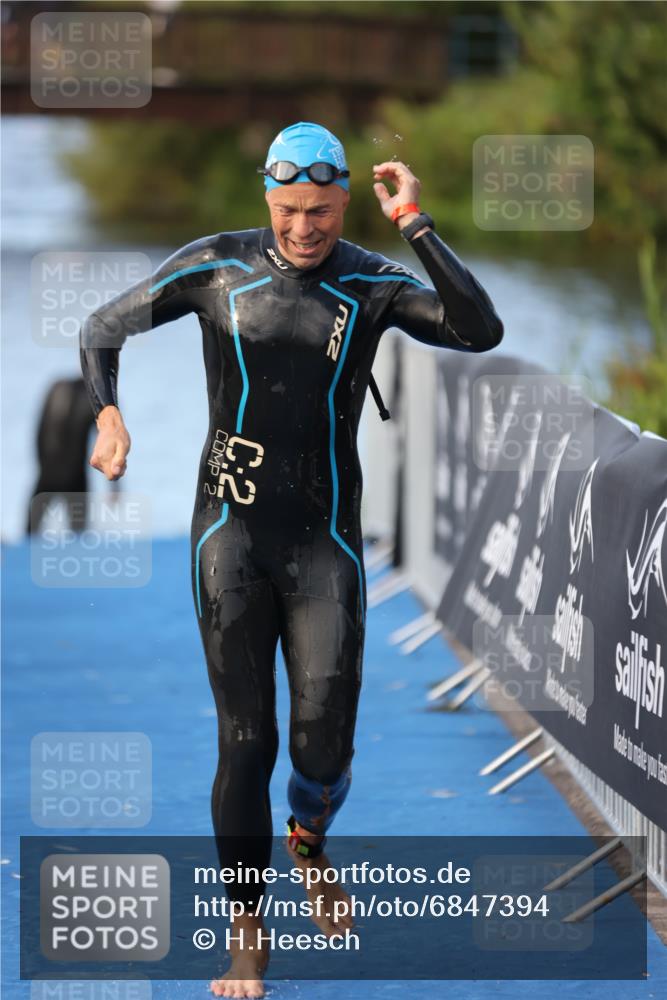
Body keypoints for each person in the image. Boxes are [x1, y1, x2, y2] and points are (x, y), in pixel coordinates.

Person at [80, 121, 503, 998]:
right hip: (227, 532)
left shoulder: (370, 280)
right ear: (265, 201)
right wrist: (108, 414)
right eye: (286, 210)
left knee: (323, 745)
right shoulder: (215, 267)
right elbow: (100, 327)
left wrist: (416, 224)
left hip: (325, 540)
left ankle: (309, 842)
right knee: (246, 739)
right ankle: (245, 933)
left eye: (318, 210)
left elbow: (478, 330)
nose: (302, 228)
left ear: (344, 201)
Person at [27, 377, 97, 534]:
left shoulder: (58, 388)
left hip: (52, 472)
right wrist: (115, 486)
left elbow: (39, 434)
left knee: (32, 529)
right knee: (77, 533)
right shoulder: (93, 397)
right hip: (67, 475)